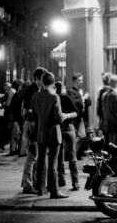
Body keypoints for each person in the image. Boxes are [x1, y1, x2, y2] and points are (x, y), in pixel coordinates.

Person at [32, 71, 75, 199]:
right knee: (53, 163)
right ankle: (54, 191)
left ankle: (40, 188)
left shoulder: (35, 96)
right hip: (54, 133)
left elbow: (34, 113)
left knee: (40, 161)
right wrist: (70, 114)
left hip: (41, 132)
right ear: (53, 83)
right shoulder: (54, 97)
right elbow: (60, 118)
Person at [20, 67, 47, 195]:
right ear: (36, 78)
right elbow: (26, 111)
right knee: (32, 155)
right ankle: (27, 184)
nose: (44, 81)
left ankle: (31, 182)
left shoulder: (38, 90)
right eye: (42, 78)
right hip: (32, 125)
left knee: (34, 155)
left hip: (35, 125)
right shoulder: (31, 91)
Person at [55, 81, 79, 191]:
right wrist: (67, 116)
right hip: (69, 127)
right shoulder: (66, 97)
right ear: (62, 88)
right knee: (72, 156)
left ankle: (61, 180)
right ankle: (75, 182)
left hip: (57, 129)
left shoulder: (53, 98)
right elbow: (76, 112)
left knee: (59, 156)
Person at [67, 72, 91, 159]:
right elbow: (73, 102)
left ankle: (72, 154)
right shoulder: (70, 91)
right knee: (77, 136)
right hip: (75, 116)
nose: (81, 82)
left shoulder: (82, 90)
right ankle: (72, 154)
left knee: (81, 135)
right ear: (74, 81)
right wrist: (83, 98)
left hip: (82, 116)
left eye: (82, 80)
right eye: (79, 80)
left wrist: (84, 100)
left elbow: (89, 102)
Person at [7, 80, 23, 155]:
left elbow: (11, 108)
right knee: (17, 135)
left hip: (16, 118)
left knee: (14, 135)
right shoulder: (18, 95)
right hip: (19, 118)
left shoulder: (16, 95)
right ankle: (15, 149)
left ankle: (13, 149)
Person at [96, 72, 112, 138]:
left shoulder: (100, 90)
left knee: (104, 134)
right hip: (110, 116)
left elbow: (98, 105)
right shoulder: (111, 91)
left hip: (102, 115)